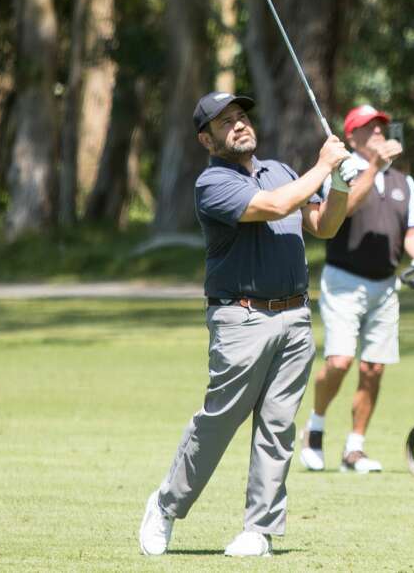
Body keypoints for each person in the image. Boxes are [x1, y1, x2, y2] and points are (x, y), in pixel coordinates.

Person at [138, 91, 355, 558]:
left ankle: (259, 529)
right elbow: (274, 207)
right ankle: (166, 505)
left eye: (241, 117)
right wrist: (324, 164)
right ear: (207, 139)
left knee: (277, 429)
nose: (238, 125)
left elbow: (324, 224)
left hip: (295, 317)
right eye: (225, 122)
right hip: (242, 316)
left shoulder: (280, 171)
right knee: (220, 420)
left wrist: (339, 184)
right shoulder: (212, 183)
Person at [299, 104, 414, 473]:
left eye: (382, 127)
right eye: (369, 128)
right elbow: (339, 213)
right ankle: (315, 427)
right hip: (344, 280)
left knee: (374, 368)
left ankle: (354, 449)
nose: (379, 133)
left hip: (386, 285)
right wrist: (374, 167)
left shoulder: (403, 182)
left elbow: (412, 230)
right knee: (340, 361)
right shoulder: (341, 173)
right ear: (353, 136)